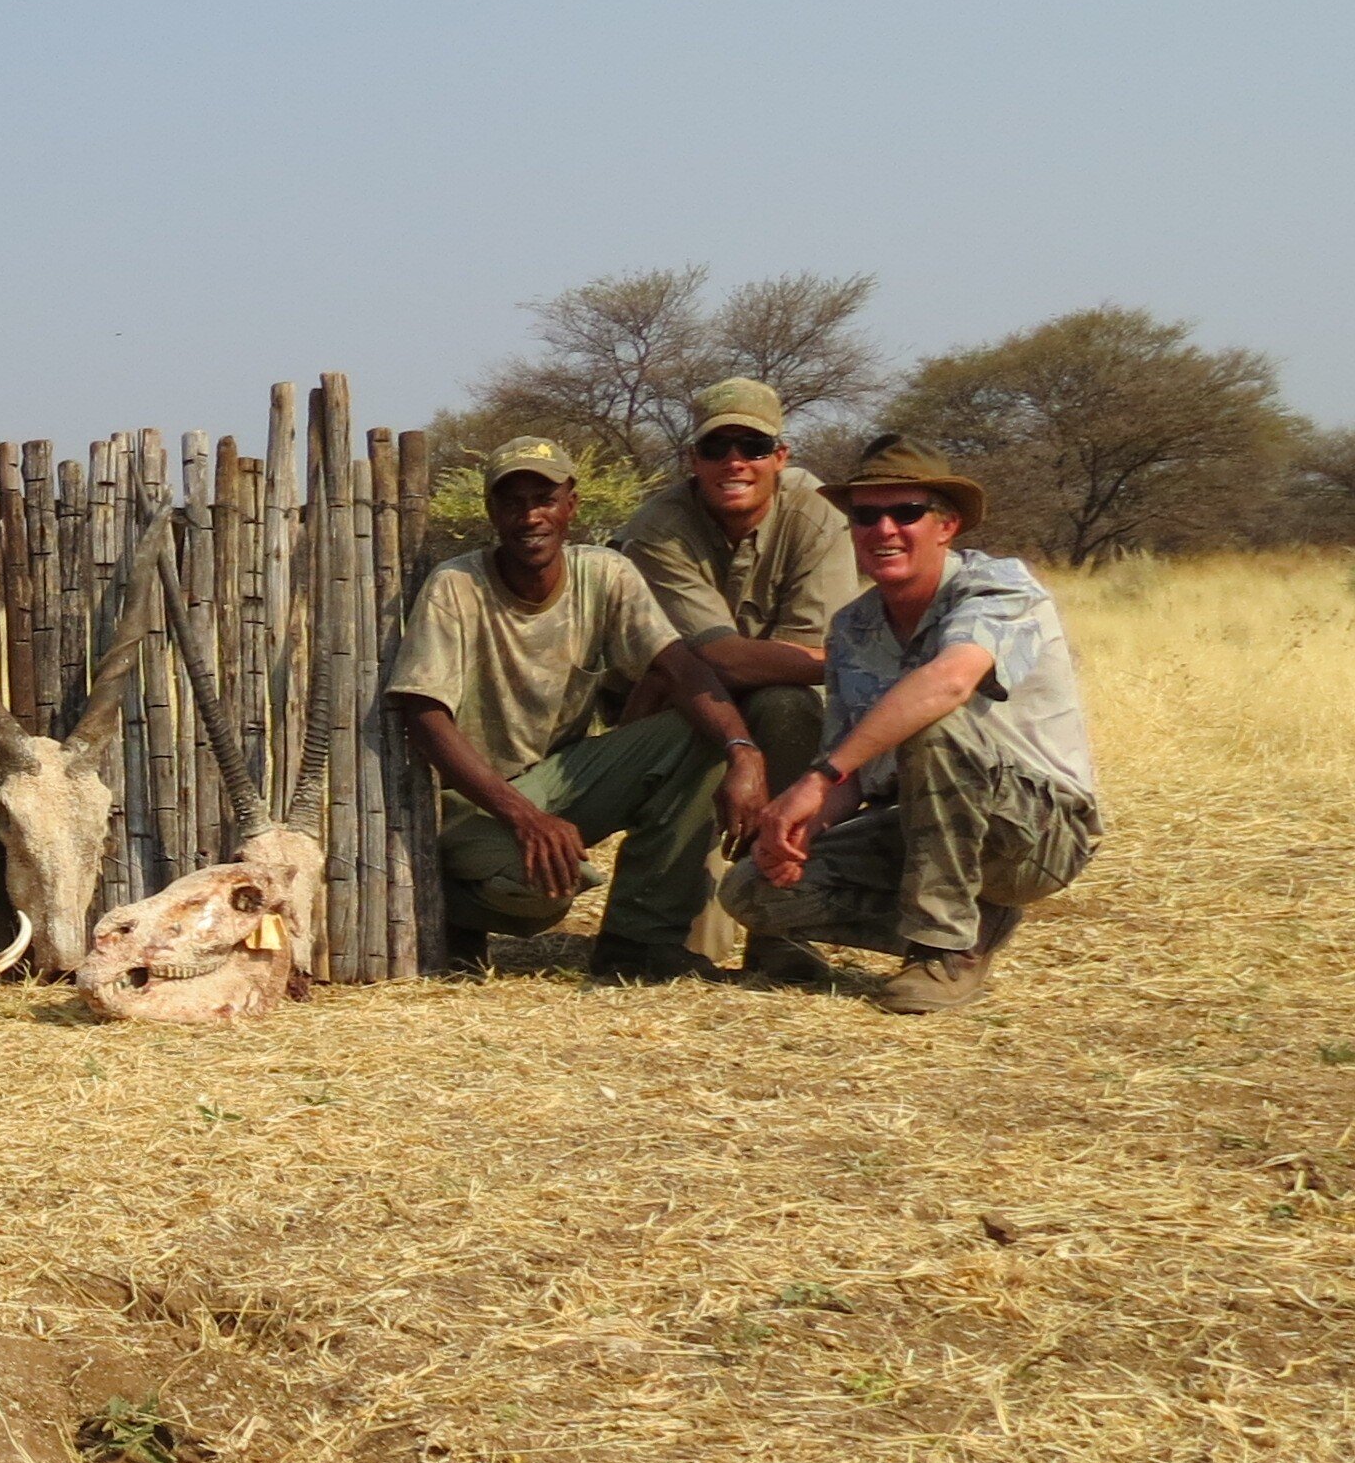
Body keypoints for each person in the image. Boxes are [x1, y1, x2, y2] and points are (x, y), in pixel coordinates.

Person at [722, 437, 1098, 1014]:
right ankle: (972, 927)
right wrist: (799, 828)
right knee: (750, 892)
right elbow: (854, 770)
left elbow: (948, 683)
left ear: (946, 526)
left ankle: (943, 951)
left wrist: (816, 780)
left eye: (906, 513)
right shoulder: (853, 627)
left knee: (932, 723)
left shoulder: (1000, 588)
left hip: (1035, 832)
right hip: (928, 823)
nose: (884, 529)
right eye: (866, 516)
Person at [387, 438, 765, 982]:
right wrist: (526, 817)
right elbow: (423, 715)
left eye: (544, 498)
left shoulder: (605, 574)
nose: (529, 517)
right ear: (492, 512)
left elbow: (681, 669)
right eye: (512, 502)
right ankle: (450, 908)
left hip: (560, 782)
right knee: (544, 893)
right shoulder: (457, 585)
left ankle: (640, 944)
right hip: (471, 801)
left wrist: (744, 754)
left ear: (571, 505)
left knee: (700, 732)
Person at [612, 378, 862, 984]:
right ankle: (649, 925)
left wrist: (800, 664)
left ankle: (779, 929)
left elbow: (797, 659)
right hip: (668, 702)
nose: (734, 462)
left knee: (789, 707)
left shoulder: (819, 511)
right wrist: (859, 666)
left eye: (751, 446)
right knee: (676, 953)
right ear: (690, 459)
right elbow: (717, 660)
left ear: (781, 455)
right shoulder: (659, 525)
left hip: (775, 707)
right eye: (716, 447)